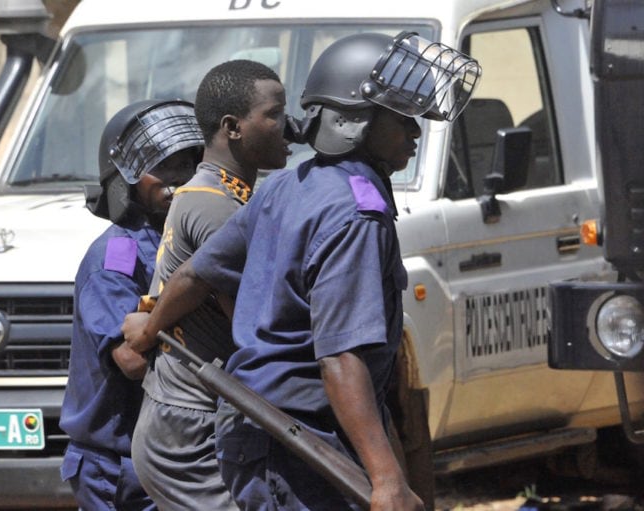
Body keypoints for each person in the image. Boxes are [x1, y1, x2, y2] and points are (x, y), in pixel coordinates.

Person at [125, 32, 480, 510]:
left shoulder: (285, 187)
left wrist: (149, 328)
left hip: (257, 436)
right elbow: (339, 359)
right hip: (291, 443)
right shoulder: (356, 216)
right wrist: (387, 479)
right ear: (353, 122)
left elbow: (192, 276)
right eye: (401, 119)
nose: (415, 133)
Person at [123, 59, 290, 511]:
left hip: (192, 417)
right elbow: (257, 327)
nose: (287, 126)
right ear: (233, 127)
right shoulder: (216, 205)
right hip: (189, 430)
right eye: (274, 114)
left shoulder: (224, 195)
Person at [59, 99, 203, 511]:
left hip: (172, 453)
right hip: (119, 467)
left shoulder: (183, 240)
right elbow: (129, 358)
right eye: (164, 167)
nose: (178, 179)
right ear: (126, 180)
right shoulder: (118, 255)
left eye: (187, 163)